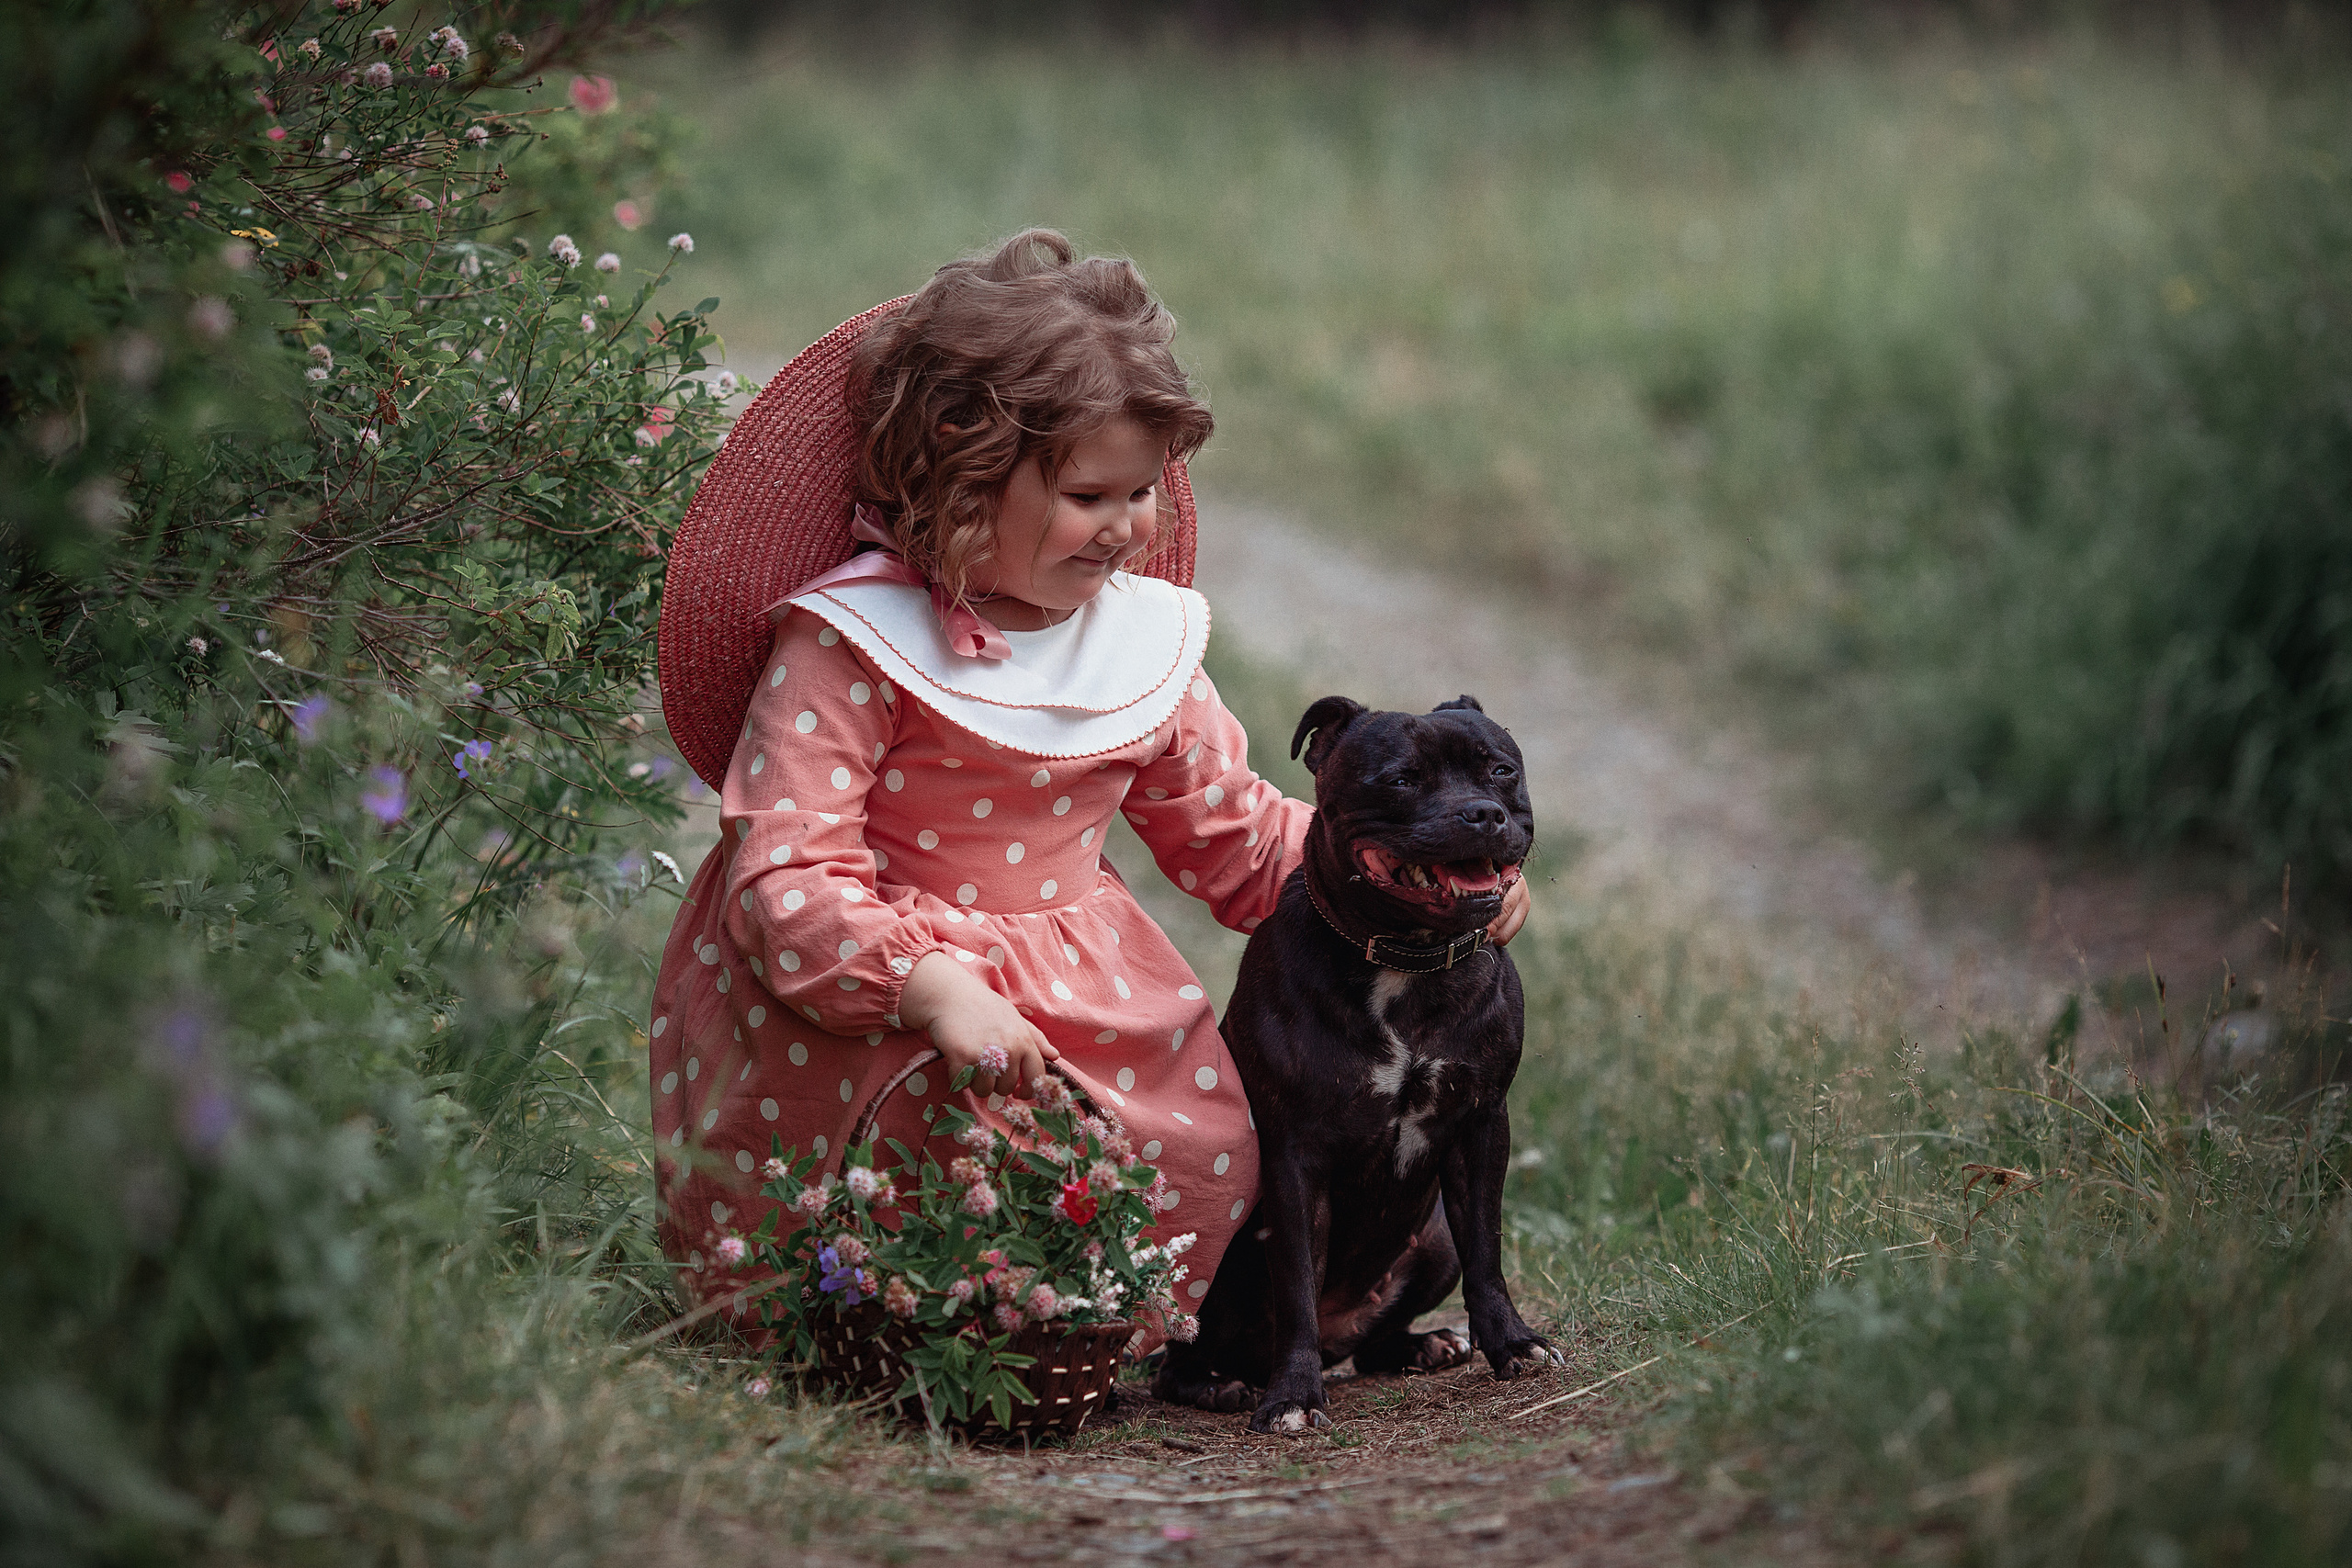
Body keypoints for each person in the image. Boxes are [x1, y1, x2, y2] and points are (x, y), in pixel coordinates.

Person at [646, 229, 1528, 1341]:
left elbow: (1234, 832)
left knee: (1202, 1147)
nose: (1125, 528)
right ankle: (886, 1325)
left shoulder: (1135, 647)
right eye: (1085, 494)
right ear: (956, 483)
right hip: (873, 988)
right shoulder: (850, 646)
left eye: (1143, 490)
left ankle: (1079, 1328)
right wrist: (928, 985)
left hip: (1076, 982)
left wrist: (1408, 875)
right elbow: (786, 873)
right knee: (917, 1132)